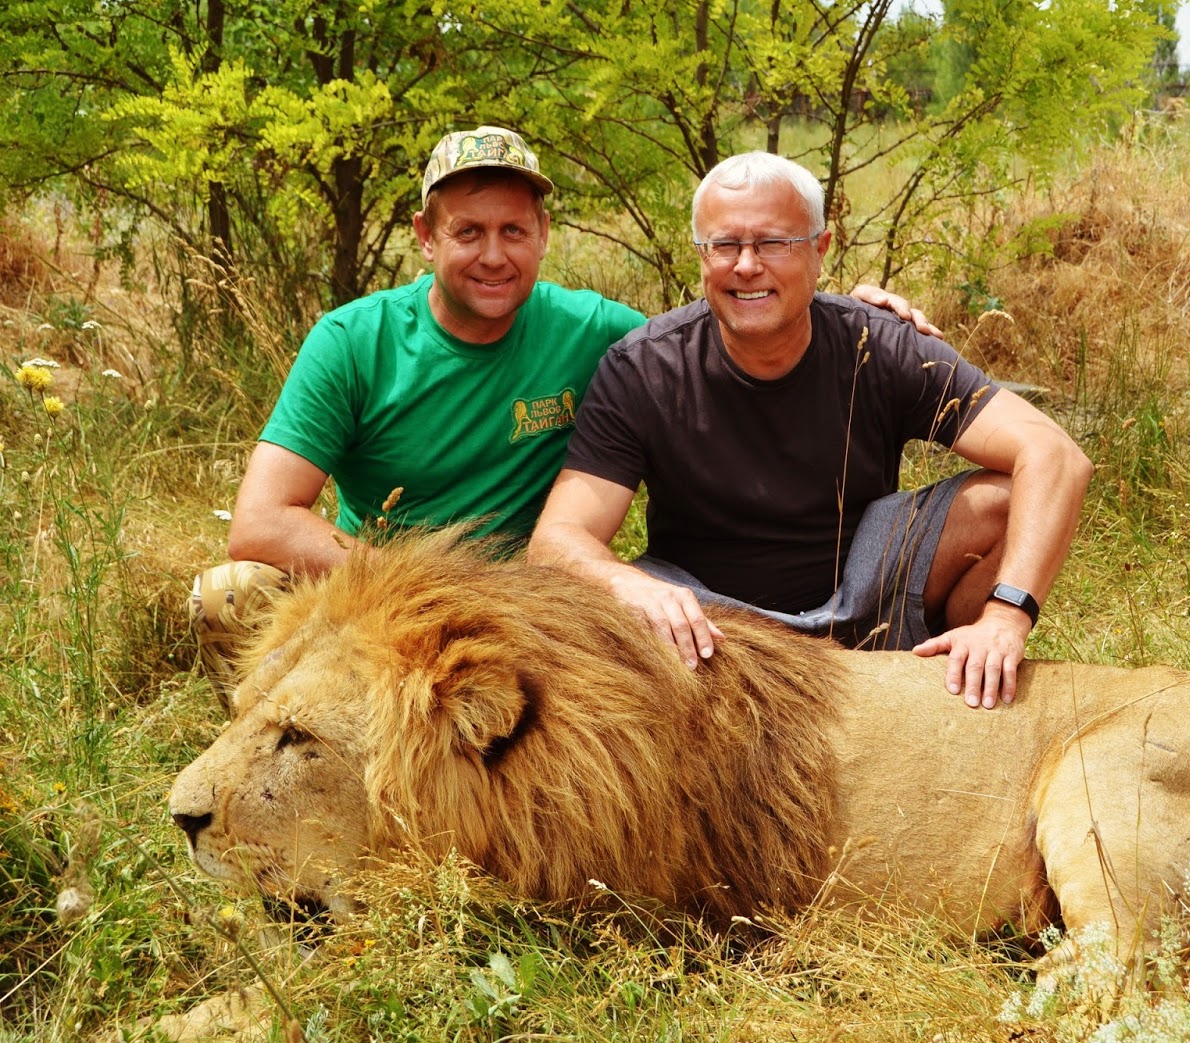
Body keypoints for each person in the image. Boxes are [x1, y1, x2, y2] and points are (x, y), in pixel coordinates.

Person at [191, 128, 932, 706]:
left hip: (536, 614)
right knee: (230, 592)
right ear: (425, 235)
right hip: (382, 592)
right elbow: (261, 520)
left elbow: (725, 330)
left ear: (543, 232)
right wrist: (420, 584)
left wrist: (843, 312)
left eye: (513, 231)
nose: (493, 255)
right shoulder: (353, 341)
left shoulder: (595, 329)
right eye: (468, 231)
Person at [527, 151, 1093, 710]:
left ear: (820, 249)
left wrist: (1006, 616)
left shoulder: (880, 343)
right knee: (584, 616)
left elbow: (1055, 455)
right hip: (707, 624)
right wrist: (630, 586)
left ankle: (957, 678)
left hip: (868, 602)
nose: (746, 265)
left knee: (1006, 500)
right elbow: (556, 540)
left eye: (773, 242)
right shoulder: (643, 367)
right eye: (724, 245)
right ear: (701, 254)